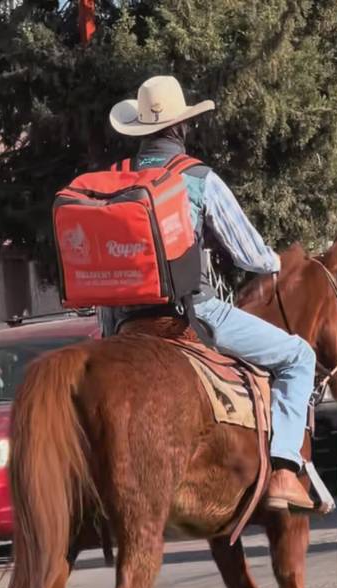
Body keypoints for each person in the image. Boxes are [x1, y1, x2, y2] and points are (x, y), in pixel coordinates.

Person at [102, 75, 315, 511]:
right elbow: (251, 255)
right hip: (194, 314)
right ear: (180, 127)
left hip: (121, 321)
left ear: (139, 130)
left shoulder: (117, 183)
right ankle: (285, 471)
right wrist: (279, 261)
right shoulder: (197, 178)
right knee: (299, 357)